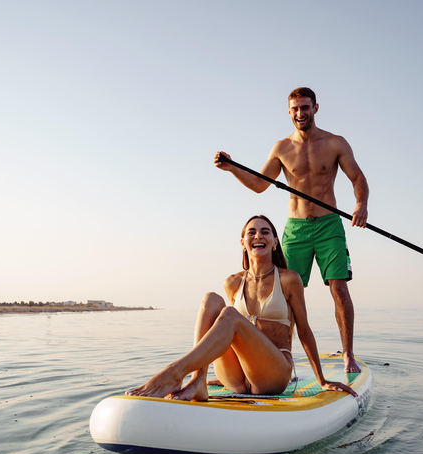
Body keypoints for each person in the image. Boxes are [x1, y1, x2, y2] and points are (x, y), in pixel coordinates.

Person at [214, 87, 369, 373]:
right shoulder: (282, 148)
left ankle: (348, 354)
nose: (300, 113)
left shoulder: (335, 143)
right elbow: (260, 184)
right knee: (285, 292)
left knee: (338, 288)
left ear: (316, 108)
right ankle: (282, 356)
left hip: (329, 225)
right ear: (289, 111)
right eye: (295, 109)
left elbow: (357, 177)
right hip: (295, 229)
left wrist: (360, 205)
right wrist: (233, 168)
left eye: (305, 107)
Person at [127, 215, 355, 401]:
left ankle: (173, 373)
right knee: (211, 300)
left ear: (275, 242)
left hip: (273, 375)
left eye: (265, 232)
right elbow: (226, 336)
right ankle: (198, 379)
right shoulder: (233, 282)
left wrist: (321, 379)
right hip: (238, 377)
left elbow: (304, 330)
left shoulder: (288, 279)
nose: (258, 236)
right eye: (252, 232)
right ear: (243, 243)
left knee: (230, 315)